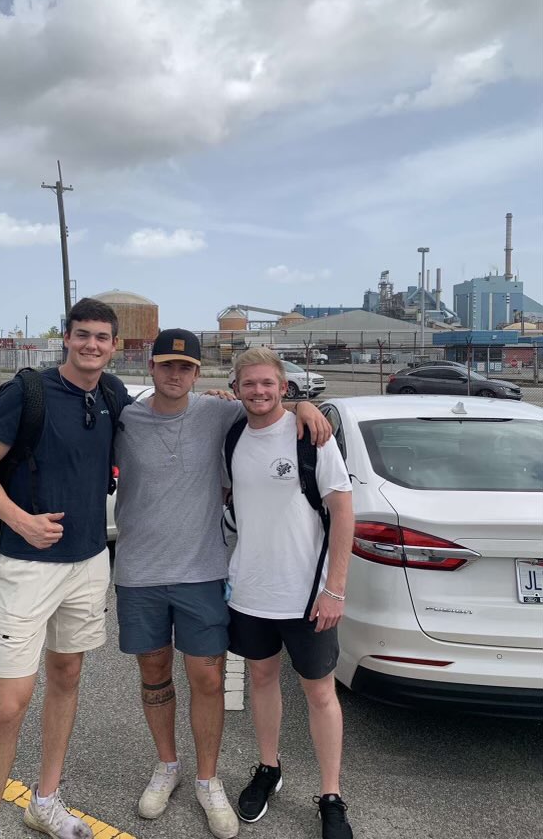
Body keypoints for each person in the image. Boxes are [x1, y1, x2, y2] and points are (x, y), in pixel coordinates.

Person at [113, 329, 331, 839]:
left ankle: (208, 779)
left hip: (202, 571)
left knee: (208, 679)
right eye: (167, 365)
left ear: (199, 374)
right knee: (154, 674)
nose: (175, 375)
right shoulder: (124, 418)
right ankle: (167, 766)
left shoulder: (220, 413)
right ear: (151, 367)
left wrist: (304, 405)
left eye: (185, 368)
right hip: (139, 574)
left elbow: (267, 402)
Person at [0, 298, 129, 839]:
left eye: (102, 337)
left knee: (67, 676)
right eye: (83, 335)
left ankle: (45, 801)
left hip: (88, 563)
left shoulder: (111, 394)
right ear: (67, 337)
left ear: (116, 345)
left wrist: (296, 410)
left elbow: (173, 415)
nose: (92, 345)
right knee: (10, 705)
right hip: (29, 566)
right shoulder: (25, 394)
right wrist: (19, 520)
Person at [226, 347, 355, 839]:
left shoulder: (310, 435)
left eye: (267, 383)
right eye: (248, 384)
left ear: (284, 386)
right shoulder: (233, 434)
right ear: (236, 388)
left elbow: (343, 512)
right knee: (262, 680)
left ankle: (330, 795)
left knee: (320, 693)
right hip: (250, 590)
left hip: (308, 595)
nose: (258, 392)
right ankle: (268, 768)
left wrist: (335, 590)